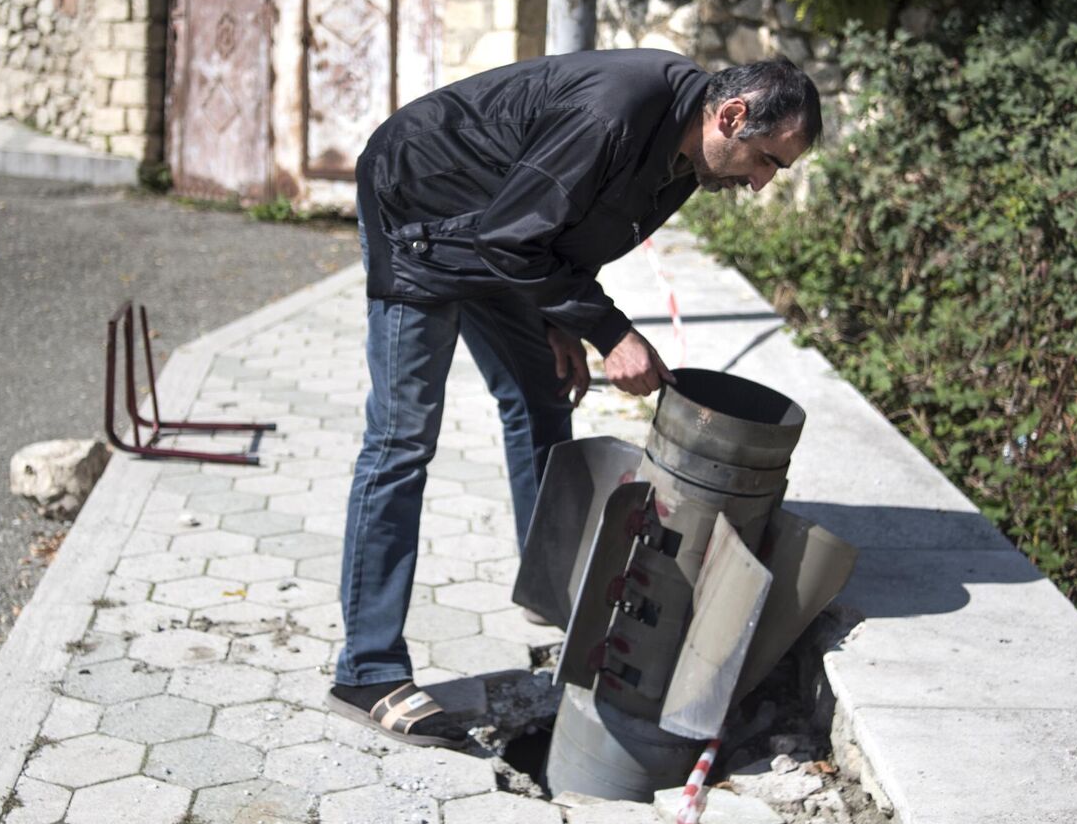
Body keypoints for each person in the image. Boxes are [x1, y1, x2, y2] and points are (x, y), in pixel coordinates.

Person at [325, 50, 822, 746]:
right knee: (402, 440)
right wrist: (610, 333)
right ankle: (367, 669)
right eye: (768, 159)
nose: (764, 181)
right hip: (424, 212)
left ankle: (552, 594)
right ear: (732, 116)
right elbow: (515, 235)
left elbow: (574, 227)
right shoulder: (615, 111)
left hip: (498, 229)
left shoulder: (687, 158)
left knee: (543, 399)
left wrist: (561, 321)